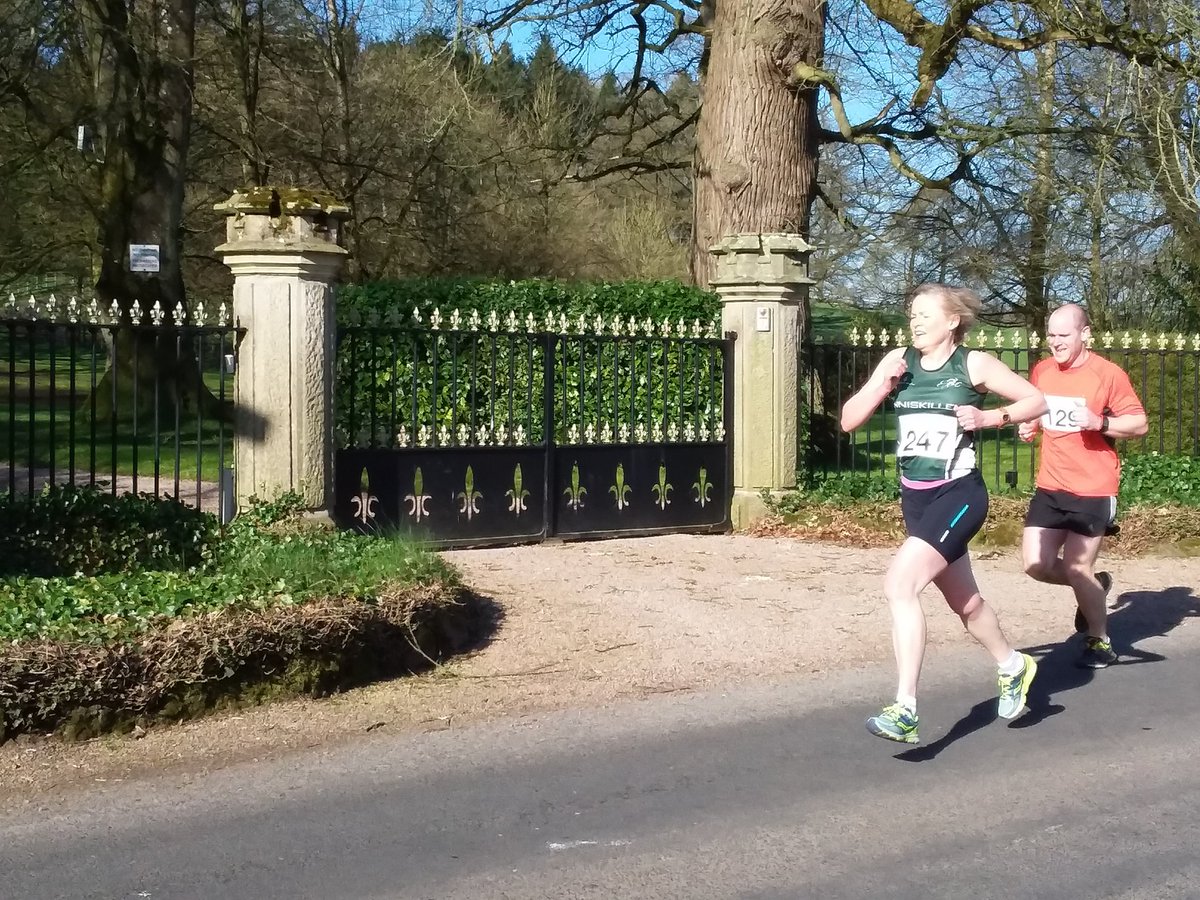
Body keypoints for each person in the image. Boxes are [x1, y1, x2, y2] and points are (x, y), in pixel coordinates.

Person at [840, 284, 1048, 744]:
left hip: (959, 495)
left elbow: (1037, 401)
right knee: (965, 603)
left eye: (923, 315)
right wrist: (881, 383)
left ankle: (905, 708)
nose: (914, 322)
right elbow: (849, 420)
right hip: (916, 498)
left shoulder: (971, 364)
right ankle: (1014, 665)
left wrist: (990, 419)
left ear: (952, 321)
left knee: (899, 584)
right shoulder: (899, 362)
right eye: (911, 314)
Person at [1019, 304, 1148, 668]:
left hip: (1093, 486)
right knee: (1035, 564)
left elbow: (1139, 424)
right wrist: (1030, 426)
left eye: (1064, 335)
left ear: (1085, 334)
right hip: (1051, 485)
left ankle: (1099, 639)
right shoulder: (1043, 370)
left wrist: (1099, 421)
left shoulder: (1107, 374)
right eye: (1051, 335)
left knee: (1077, 568)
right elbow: (1037, 411)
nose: (1056, 342)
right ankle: (1097, 586)